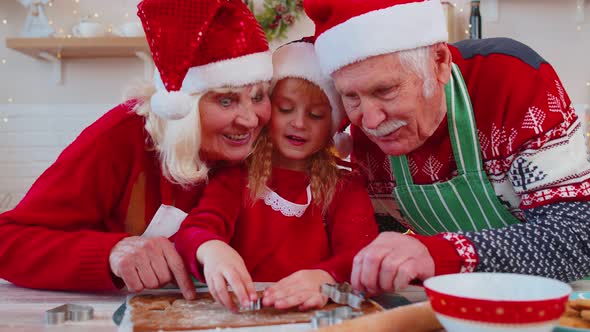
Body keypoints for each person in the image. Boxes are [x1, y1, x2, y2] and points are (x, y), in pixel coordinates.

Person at [304, 0, 590, 295]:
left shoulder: (511, 78)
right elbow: (375, 238)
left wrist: (441, 254)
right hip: (461, 305)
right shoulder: (368, 133)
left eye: (386, 90)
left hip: (568, 304)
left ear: (439, 62)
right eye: (351, 97)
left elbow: (579, 235)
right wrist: (328, 273)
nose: (371, 120)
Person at [0, 0, 273, 299]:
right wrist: (111, 254)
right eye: (225, 100)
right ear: (182, 104)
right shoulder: (121, 136)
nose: (250, 119)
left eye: (259, 96)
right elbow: (7, 242)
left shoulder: (262, 147)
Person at [174, 39, 379, 311]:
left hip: (316, 316)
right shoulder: (235, 178)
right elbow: (195, 230)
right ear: (267, 111)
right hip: (243, 314)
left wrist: (326, 278)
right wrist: (210, 248)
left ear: (331, 126)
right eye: (285, 109)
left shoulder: (345, 186)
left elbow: (361, 254)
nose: (299, 123)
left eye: (316, 115)